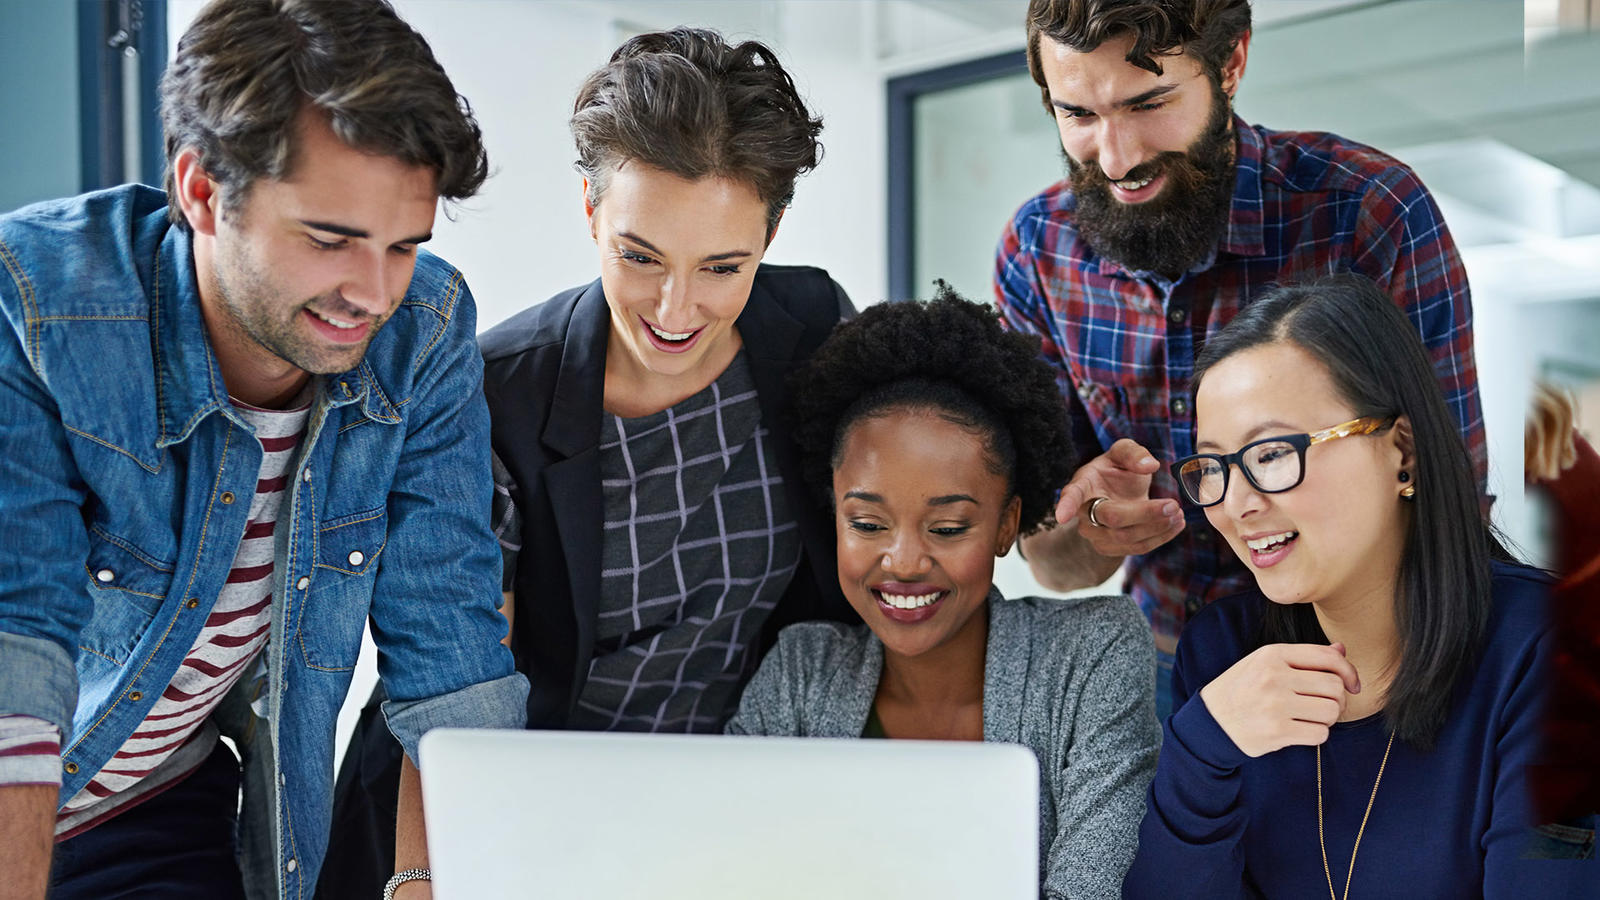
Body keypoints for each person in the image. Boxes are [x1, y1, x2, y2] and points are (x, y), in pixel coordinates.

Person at [0, 1, 527, 899]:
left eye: (404, 246)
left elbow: (451, 667)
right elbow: (17, 667)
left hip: (149, 804)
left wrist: (427, 882)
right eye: (330, 240)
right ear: (202, 192)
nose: (374, 293)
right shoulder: (39, 304)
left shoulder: (424, 333)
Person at [319, 27, 858, 898]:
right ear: (590, 210)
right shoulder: (498, 391)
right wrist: (423, 875)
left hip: (719, 818)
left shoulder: (812, 329)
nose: (675, 309)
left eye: (723, 265)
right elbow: (453, 660)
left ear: (774, 229)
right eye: (639, 256)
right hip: (497, 807)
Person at [995, 0, 1487, 716]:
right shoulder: (1039, 252)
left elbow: (1451, 499)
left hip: (1370, 666)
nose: (1118, 157)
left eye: (1149, 102)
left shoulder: (1367, 211)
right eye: (1079, 116)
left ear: (1231, 64)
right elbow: (1053, 561)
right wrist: (1096, 529)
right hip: (1168, 671)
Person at [1122, 275, 1551, 897]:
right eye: (1212, 466)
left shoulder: (1547, 649)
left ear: (1401, 450)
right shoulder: (1222, 654)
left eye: (1270, 454)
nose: (1235, 504)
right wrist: (1202, 748)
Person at [726, 288, 1160, 900]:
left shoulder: (1090, 654)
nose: (902, 561)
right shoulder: (802, 671)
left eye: (948, 528)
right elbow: (733, 867)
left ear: (1008, 525)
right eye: (867, 524)